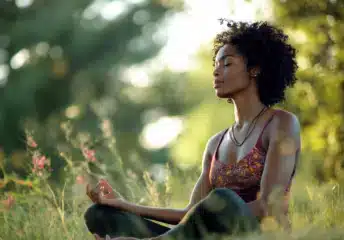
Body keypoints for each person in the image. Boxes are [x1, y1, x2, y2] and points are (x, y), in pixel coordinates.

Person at [84, 19, 301, 240]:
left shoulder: (280, 123)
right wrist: (122, 204)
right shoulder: (216, 143)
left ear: (254, 70)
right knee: (100, 215)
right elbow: (191, 214)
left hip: (257, 235)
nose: (216, 72)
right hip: (200, 236)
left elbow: (268, 206)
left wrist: (212, 211)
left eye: (227, 64)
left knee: (223, 201)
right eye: (215, 65)